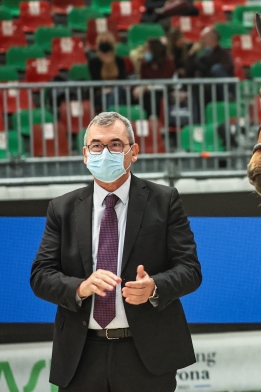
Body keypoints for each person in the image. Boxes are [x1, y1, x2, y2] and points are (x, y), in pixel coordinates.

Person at [30, 111, 202, 390]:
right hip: (81, 356)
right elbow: (41, 276)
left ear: (133, 152)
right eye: (96, 145)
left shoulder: (164, 200)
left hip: (146, 355)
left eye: (115, 145)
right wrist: (81, 287)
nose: (105, 152)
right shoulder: (61, 209)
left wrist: (155, 287)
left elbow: (190, 269)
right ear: (85, 155)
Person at [134, 38, 176, 117]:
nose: (145, 52)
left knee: (154, 97)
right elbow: (142, 81)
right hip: (147, 93)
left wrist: (147, 87)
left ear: (155, 50)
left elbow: (165, 82)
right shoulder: (144, 64)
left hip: (164, 92)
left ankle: (154, 119)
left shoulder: (168, 63)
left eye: (147, 49)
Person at [89, 32, 129, 109]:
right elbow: (95, 81)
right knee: (112, 97)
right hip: (101, 94)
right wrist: (104, 90)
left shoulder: (119, 60)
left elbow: (122, 79)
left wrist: (112, 89)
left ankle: (111, 118)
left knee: (116, 93)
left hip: (118, 91)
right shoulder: (94, 62)